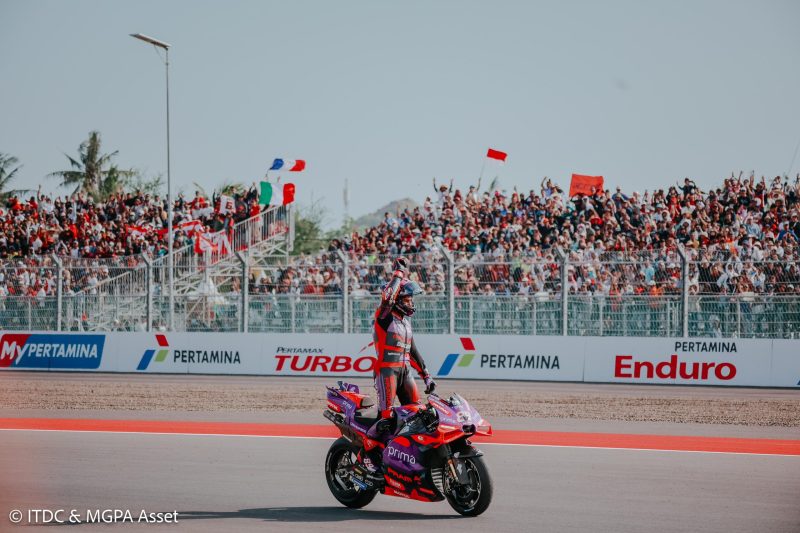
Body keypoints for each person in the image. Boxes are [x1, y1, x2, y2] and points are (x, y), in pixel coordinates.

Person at [372, 257, 436, 430]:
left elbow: (412, 351)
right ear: (397, 300)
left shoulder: (405, 322)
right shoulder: (384, 316)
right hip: (387, 371)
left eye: (411, 300)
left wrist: (426, 375)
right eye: (407, 300)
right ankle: (368, 454)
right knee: (386, 420)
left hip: (405, 370)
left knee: (417, 414)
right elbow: (386, 299)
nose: (411, 303)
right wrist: (399, 273)